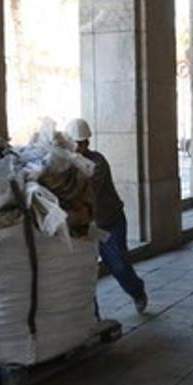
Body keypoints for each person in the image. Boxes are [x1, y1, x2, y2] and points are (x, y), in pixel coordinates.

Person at [65, 118, 148, 314]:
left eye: (82, 143)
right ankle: (92, 317)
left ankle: (137, 291)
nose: (78, 147)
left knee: (118, 265)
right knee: (84, 274)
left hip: (108, 223)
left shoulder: (97, 162)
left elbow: (87, 188)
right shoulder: (65, 163)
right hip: (82, 227)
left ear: (88, 143)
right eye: (75, 143)